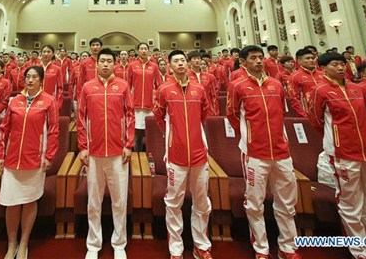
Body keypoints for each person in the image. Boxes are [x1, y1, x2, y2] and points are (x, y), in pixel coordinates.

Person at [307, 53, 366, 259]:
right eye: (335, 64)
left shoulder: (358, 89)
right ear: (323, 67)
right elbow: (315, 119)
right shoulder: (320, 90)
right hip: (343, 152)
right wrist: (336, 139)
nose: (341, 67)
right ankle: (359, 251)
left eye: (343, 64)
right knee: (351, 203)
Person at [227, 45, 301, 259]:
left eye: (261, 57)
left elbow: (280, 112)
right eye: (253, 58)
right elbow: (232, 114)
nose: (259, 61)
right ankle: (261, 247)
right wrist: (248, 137)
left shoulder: (276, 84)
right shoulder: (237, 85)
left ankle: (288, 247)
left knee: (287, 203)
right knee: (255, 202)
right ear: (243, 62)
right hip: (254, 152)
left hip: (281, 151)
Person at [153, 50, 213, 259]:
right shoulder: (164, 89)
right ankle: (176, 248)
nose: (180, 64)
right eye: (175, 61)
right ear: (169, 66)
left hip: (199, 154)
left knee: (201, 201)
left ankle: (201, 245)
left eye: (182, 60)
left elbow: (204, 114)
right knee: (173, 202)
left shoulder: (199, 88)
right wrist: (172, 137)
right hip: (175, 156)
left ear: (187, 64)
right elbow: (159, 115)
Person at [0, 66, 59, 259]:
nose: (30, 80)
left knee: (29, 201)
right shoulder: (15, 101)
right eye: (27, 77)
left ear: (41, 80)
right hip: (12, 159)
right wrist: (0, 155)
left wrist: (49, 156)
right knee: (11, 202)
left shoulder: (49, 101)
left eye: (34, 77)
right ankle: (11, 244)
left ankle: (23, 244)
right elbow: (4, 129)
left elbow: (54, 131)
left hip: (35, 158)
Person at [77, 48, 135, 259]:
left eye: (109, 61)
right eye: (102, 61)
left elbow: (130, 116)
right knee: (94, 200)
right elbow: (81, 118)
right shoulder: (87, 87)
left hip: (119, 152)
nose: (105, 64)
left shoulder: (123, 86)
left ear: (115, 64)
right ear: (96, 64)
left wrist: (128, 144)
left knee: (119, 200)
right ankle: (93, 244)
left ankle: (119, 243)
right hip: (94, 152)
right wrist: (83, 146)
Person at [127, 42, 159, 151]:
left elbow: (159, 85)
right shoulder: (132, 65)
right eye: (141, 49)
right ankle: (137, 157)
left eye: (146, 48)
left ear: (149, 51)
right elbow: (128, 85)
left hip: (149, 104)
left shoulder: (154, 66)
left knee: (150, 132)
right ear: (138, 51)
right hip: (136, 104)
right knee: (137, 133)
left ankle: (150, 156)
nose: (144, 51)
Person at [288, 48, 324, 117]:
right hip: (308, 114)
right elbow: (294, 99)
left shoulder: (323, 74)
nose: (311, 60)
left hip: (325, 113)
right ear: (299, 61)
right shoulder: (294, 77)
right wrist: (304, 115)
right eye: (307, 58)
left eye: (312, 58)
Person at [39, 45, 64, 110]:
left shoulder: (57, 69)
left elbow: (60, 88)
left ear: (53, 54)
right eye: (44, 52)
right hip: (36, 101)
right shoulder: (36, 68)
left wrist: (57, 104)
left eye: (48, 52)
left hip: (51, 101)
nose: (46, 54)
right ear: (41, 53)